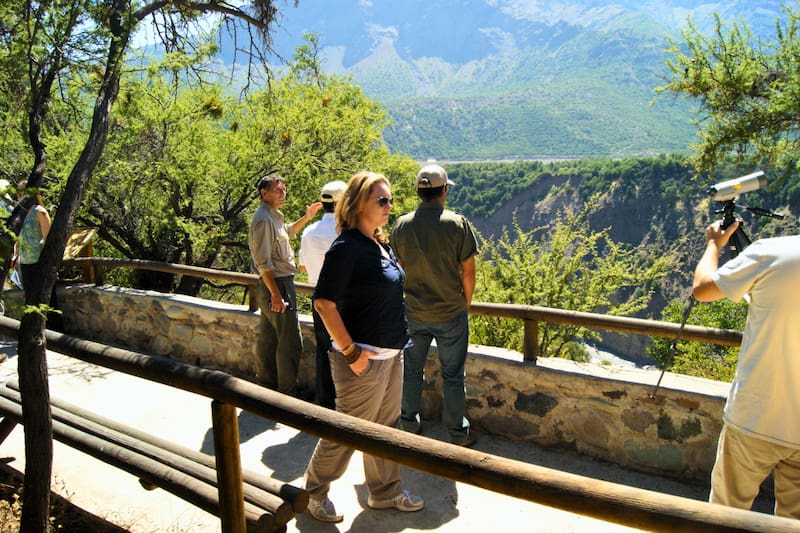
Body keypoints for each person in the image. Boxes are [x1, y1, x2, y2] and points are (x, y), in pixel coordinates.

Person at [304, 171, 425, 523]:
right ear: (358, 205)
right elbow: (323, 303)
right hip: (361, 360)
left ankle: (384, 493)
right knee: (346, 431)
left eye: (390, 200)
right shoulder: (347, 247)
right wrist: (351, 353)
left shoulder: (378, 244)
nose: (390, 206)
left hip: (390, 355)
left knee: (386, 429)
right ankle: (312, 493)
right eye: (382, 200)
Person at [693, 219, 800, 518]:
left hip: (756, 416)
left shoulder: (771, 252)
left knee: (725, 516)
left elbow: (702, 289)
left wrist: (714, 244)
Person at [391, 163, 479, 447]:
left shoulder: (402, 225)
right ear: (443, 191)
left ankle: (408, 424)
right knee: (453, 374)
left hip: (413, 312)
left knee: (412, 369)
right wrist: (465, 304)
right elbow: (468, 270)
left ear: (419, 192)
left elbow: (398, 269)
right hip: (450, 312)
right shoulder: (457, 224)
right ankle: (456, 432)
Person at [248, 173, 321, 397]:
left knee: (269, 337)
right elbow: (263, 262)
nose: (283, 192)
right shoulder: (263, 220)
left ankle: (267, 386)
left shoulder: (273, 217)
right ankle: (287, 392)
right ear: (264, 193)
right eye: (278, 189)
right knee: (290, 341)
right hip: (277, 284)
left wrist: (306, 217)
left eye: (284, 188)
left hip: (276, 284)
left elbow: (287, 232)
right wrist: (276, 295)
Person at [298, 180, 347, 409]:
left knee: (324, 347)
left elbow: (303, 267)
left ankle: (325, 400)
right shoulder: (347, 232)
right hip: (346, 296)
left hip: (319, 294)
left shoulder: (308, 232)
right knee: (347, 348)